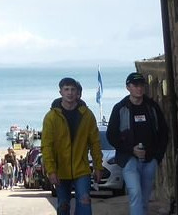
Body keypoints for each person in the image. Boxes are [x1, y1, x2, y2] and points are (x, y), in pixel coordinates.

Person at [106, 72, 169, 215]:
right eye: (135, 85)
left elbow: (164, 133)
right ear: (128, 87)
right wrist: (130, 150)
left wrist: (157, 157)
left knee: (145, 198)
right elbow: (111, 135)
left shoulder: (152, 107)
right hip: (129, 159)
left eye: (141, 85)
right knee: (135, 193)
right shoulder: (120, 108)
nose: (139, 88)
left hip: (150, 159)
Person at [41, 76, 102, 215]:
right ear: (60, 92)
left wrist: (98, 166)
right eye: (66, 89)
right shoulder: (51, 117)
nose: (70, 93)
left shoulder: (87, 115)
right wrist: (51, 170)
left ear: (78, 92)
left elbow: (95, 142)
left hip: (82, 169)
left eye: (73, 89)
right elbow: (47, 146)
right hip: (60, 171)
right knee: (63, 205)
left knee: (85, 201)